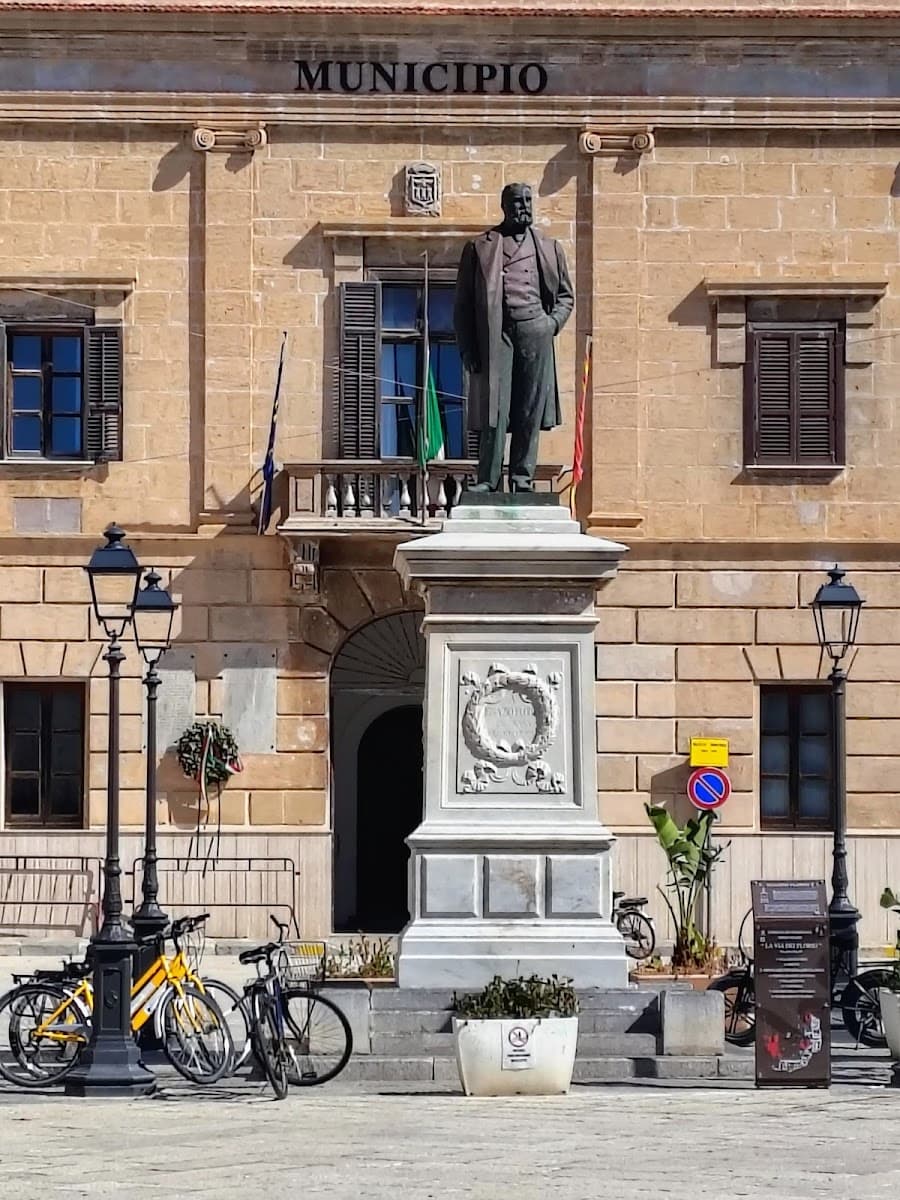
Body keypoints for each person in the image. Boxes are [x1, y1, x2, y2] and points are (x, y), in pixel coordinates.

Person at [453, 182, 574, 493]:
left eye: (528, 201)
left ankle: (522, 478)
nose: (525, 207)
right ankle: (488, 479)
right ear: (504, 206)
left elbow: (565, 297)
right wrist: (468, 349)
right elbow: (463, 306)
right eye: (518, 202)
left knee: (529, 409)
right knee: (496, 407)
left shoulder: (549, 248)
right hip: (497, 334)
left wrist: (552, 324)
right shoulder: (479, 247)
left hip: (536, 330)